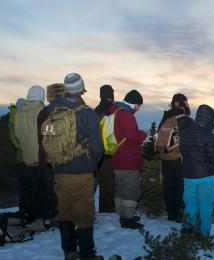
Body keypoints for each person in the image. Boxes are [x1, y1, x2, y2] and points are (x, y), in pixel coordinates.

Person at [46, 73, 103, 260]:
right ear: (81, 89)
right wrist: (91, 164)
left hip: (59, 171)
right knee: (84, 215)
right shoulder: (87, 113)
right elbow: (97, 148)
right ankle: (87, 255)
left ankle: (69, 252)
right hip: (82, 173)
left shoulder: (50, 110)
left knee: (64, 212)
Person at [179, 104, 214, 237]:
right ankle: (203, 235)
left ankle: (187, 231)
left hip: (188, 175)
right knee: (206, 206)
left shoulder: (185, 132)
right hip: (205, 176)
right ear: (210, 119)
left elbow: (183, 151)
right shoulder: (208, 135)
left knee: (190, 204)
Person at [109, 90, 147, 229]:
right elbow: (132, 136)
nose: (139, 108)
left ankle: (121, 213)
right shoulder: (126, 114)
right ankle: (128, 218)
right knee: (131, 190)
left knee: (121, 188)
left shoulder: (115, 112)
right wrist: (143, 135)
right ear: (135, 103)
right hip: (128, 159)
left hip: (117, 157)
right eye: (139, 105)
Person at [14, 85, 47, 230]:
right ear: (41, 96)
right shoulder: (42, 112)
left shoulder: (19, 112)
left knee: (30, 191)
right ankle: (41, 220)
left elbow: (18, 135)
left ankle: (30, 217)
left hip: (27, 159)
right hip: (41, 158)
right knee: (42, 192)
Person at [157, 93, 193, 222]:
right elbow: (191, 140)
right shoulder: (185, 119)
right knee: (180, 186)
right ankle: (180, 214)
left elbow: (159, 135)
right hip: (179, 157)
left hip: (165, 156)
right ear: (185, 103)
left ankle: (170, 214)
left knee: (168, 185)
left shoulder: (166, 116)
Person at [37, 84, 66, 227]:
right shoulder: (62, 111)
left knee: (52, 187)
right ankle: (61, 216)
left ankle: (55, 215)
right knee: (60, 188)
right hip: (60, 158)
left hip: (47, 156)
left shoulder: (44, 112)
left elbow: (42, 137)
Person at [94, 84, 115, 213]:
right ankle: (108, 209)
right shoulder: (111, 110)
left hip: (99, 152)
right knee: (109, 183)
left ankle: (105, 208)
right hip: (109, 151)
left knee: (104, 183)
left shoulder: (96, 110)